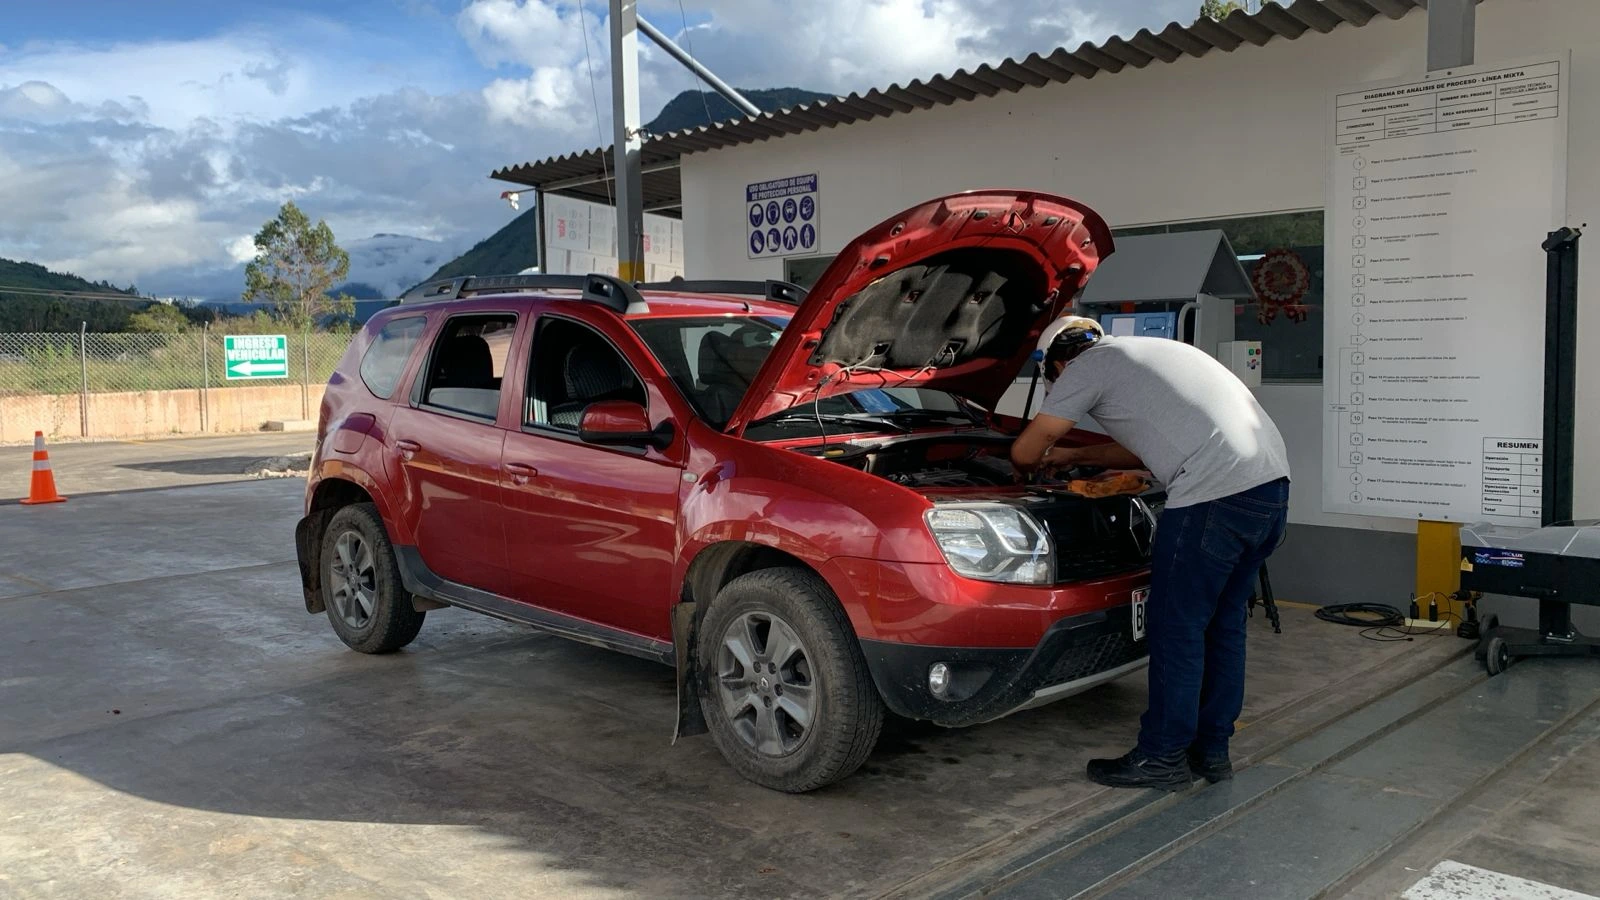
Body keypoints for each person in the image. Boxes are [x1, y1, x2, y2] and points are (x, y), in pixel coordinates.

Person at [1010, 315, 1291, 791]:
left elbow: (1024, 452)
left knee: (1176, 630)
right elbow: (1147, 447)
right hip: (1268, 492)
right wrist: (1073, 459)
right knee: (1224, 627)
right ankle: (1212, 750)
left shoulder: (1088, 365)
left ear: (1057, 361)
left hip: (1211, 499)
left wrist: (1039, 456)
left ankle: (1161, 756)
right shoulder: (1153, 353)